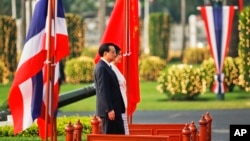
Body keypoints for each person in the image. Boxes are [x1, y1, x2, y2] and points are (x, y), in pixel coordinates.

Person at [94, 43, 125, 134]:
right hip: (110, 112)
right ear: (105, 53)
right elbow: (103, 90)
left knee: (119, 136)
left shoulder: (107, 66)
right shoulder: (102, 68)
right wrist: (109, 109)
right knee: (110, 136)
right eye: (113, 52)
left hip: (115, 109)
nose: (115, 54)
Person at [110, 46, 129, 135]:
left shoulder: (115, 68)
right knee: (123, 134)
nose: (121, 56)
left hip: (122, 105)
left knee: (125, 132)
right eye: (119, 54)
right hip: (117, 106)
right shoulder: (111, 69)